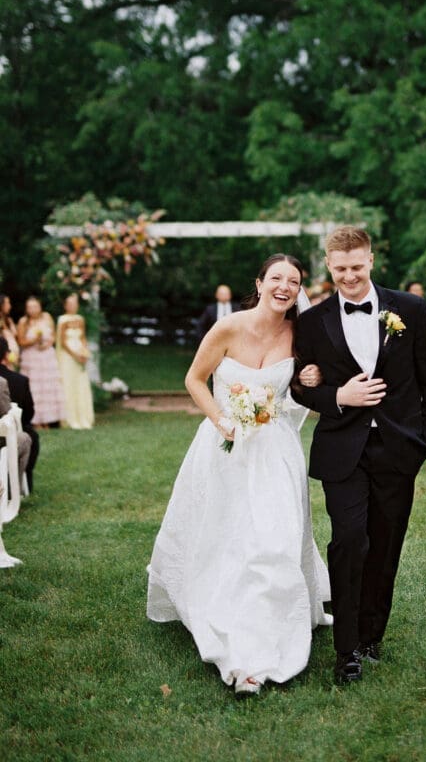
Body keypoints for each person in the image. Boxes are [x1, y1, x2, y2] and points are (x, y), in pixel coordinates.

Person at [147, 254, 331, 695]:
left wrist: (313, 374)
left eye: (294, 281)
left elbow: (306, 388)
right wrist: (220, 419)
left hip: (276, 453)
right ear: (260, 283)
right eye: (277, 279)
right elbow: (194, 379)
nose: (285, 287)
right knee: (228, 538)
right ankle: (233, 631)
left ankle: (268, 632)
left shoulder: (300, 333)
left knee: (273, 540)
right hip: (224, 447)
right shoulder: (228, 326)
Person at [291, 226, 426, 685]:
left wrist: (425, 441)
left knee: (384, 544)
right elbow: (300, 387)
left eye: (357, 267)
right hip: (343, 449)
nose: (349, 277)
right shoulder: (313, 321)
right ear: (328, 266)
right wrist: (338, 395)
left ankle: (373, 634)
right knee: (349, 541)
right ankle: (347, 649)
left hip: (398, 448)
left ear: (372, 261)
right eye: (340, 270)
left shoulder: (411, 310)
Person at [17, 295, 66, 429]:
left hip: (47, 357)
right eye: (30, 307)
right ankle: (35, 421)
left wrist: (47, 343)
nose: (32, 310)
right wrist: (34, 341)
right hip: (31, 358)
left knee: (49, 387)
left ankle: (50, 419)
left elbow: (54, 336)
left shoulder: (47, 317)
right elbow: (21, 341)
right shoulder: (23, 322)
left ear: (40, 307)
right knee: (34, 388)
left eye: (35, 306)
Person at [0, 336, 39, 491]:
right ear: (6, 355)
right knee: (27, 437)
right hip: (5, 436)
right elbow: (10, 417)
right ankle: (12, 489)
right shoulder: (15, 381)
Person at [56, 293, 94, 430]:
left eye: (75, 304)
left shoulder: (80, 319)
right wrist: (74, 355)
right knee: (69, 384)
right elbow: (62, 341)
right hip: (68, 356)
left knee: (80, 384)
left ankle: (83, 417)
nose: (73, 307)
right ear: (65, 306)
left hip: (79, 353)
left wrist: (84, 351)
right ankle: (70, 418)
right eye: (70, 304)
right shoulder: (62, 320)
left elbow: (83, 336)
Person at [0, 293, 20, 368]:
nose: (10, 306)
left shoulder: (9, 320)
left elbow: (15, 336)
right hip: (3, 359)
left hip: (12, 358)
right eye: (7, 303)